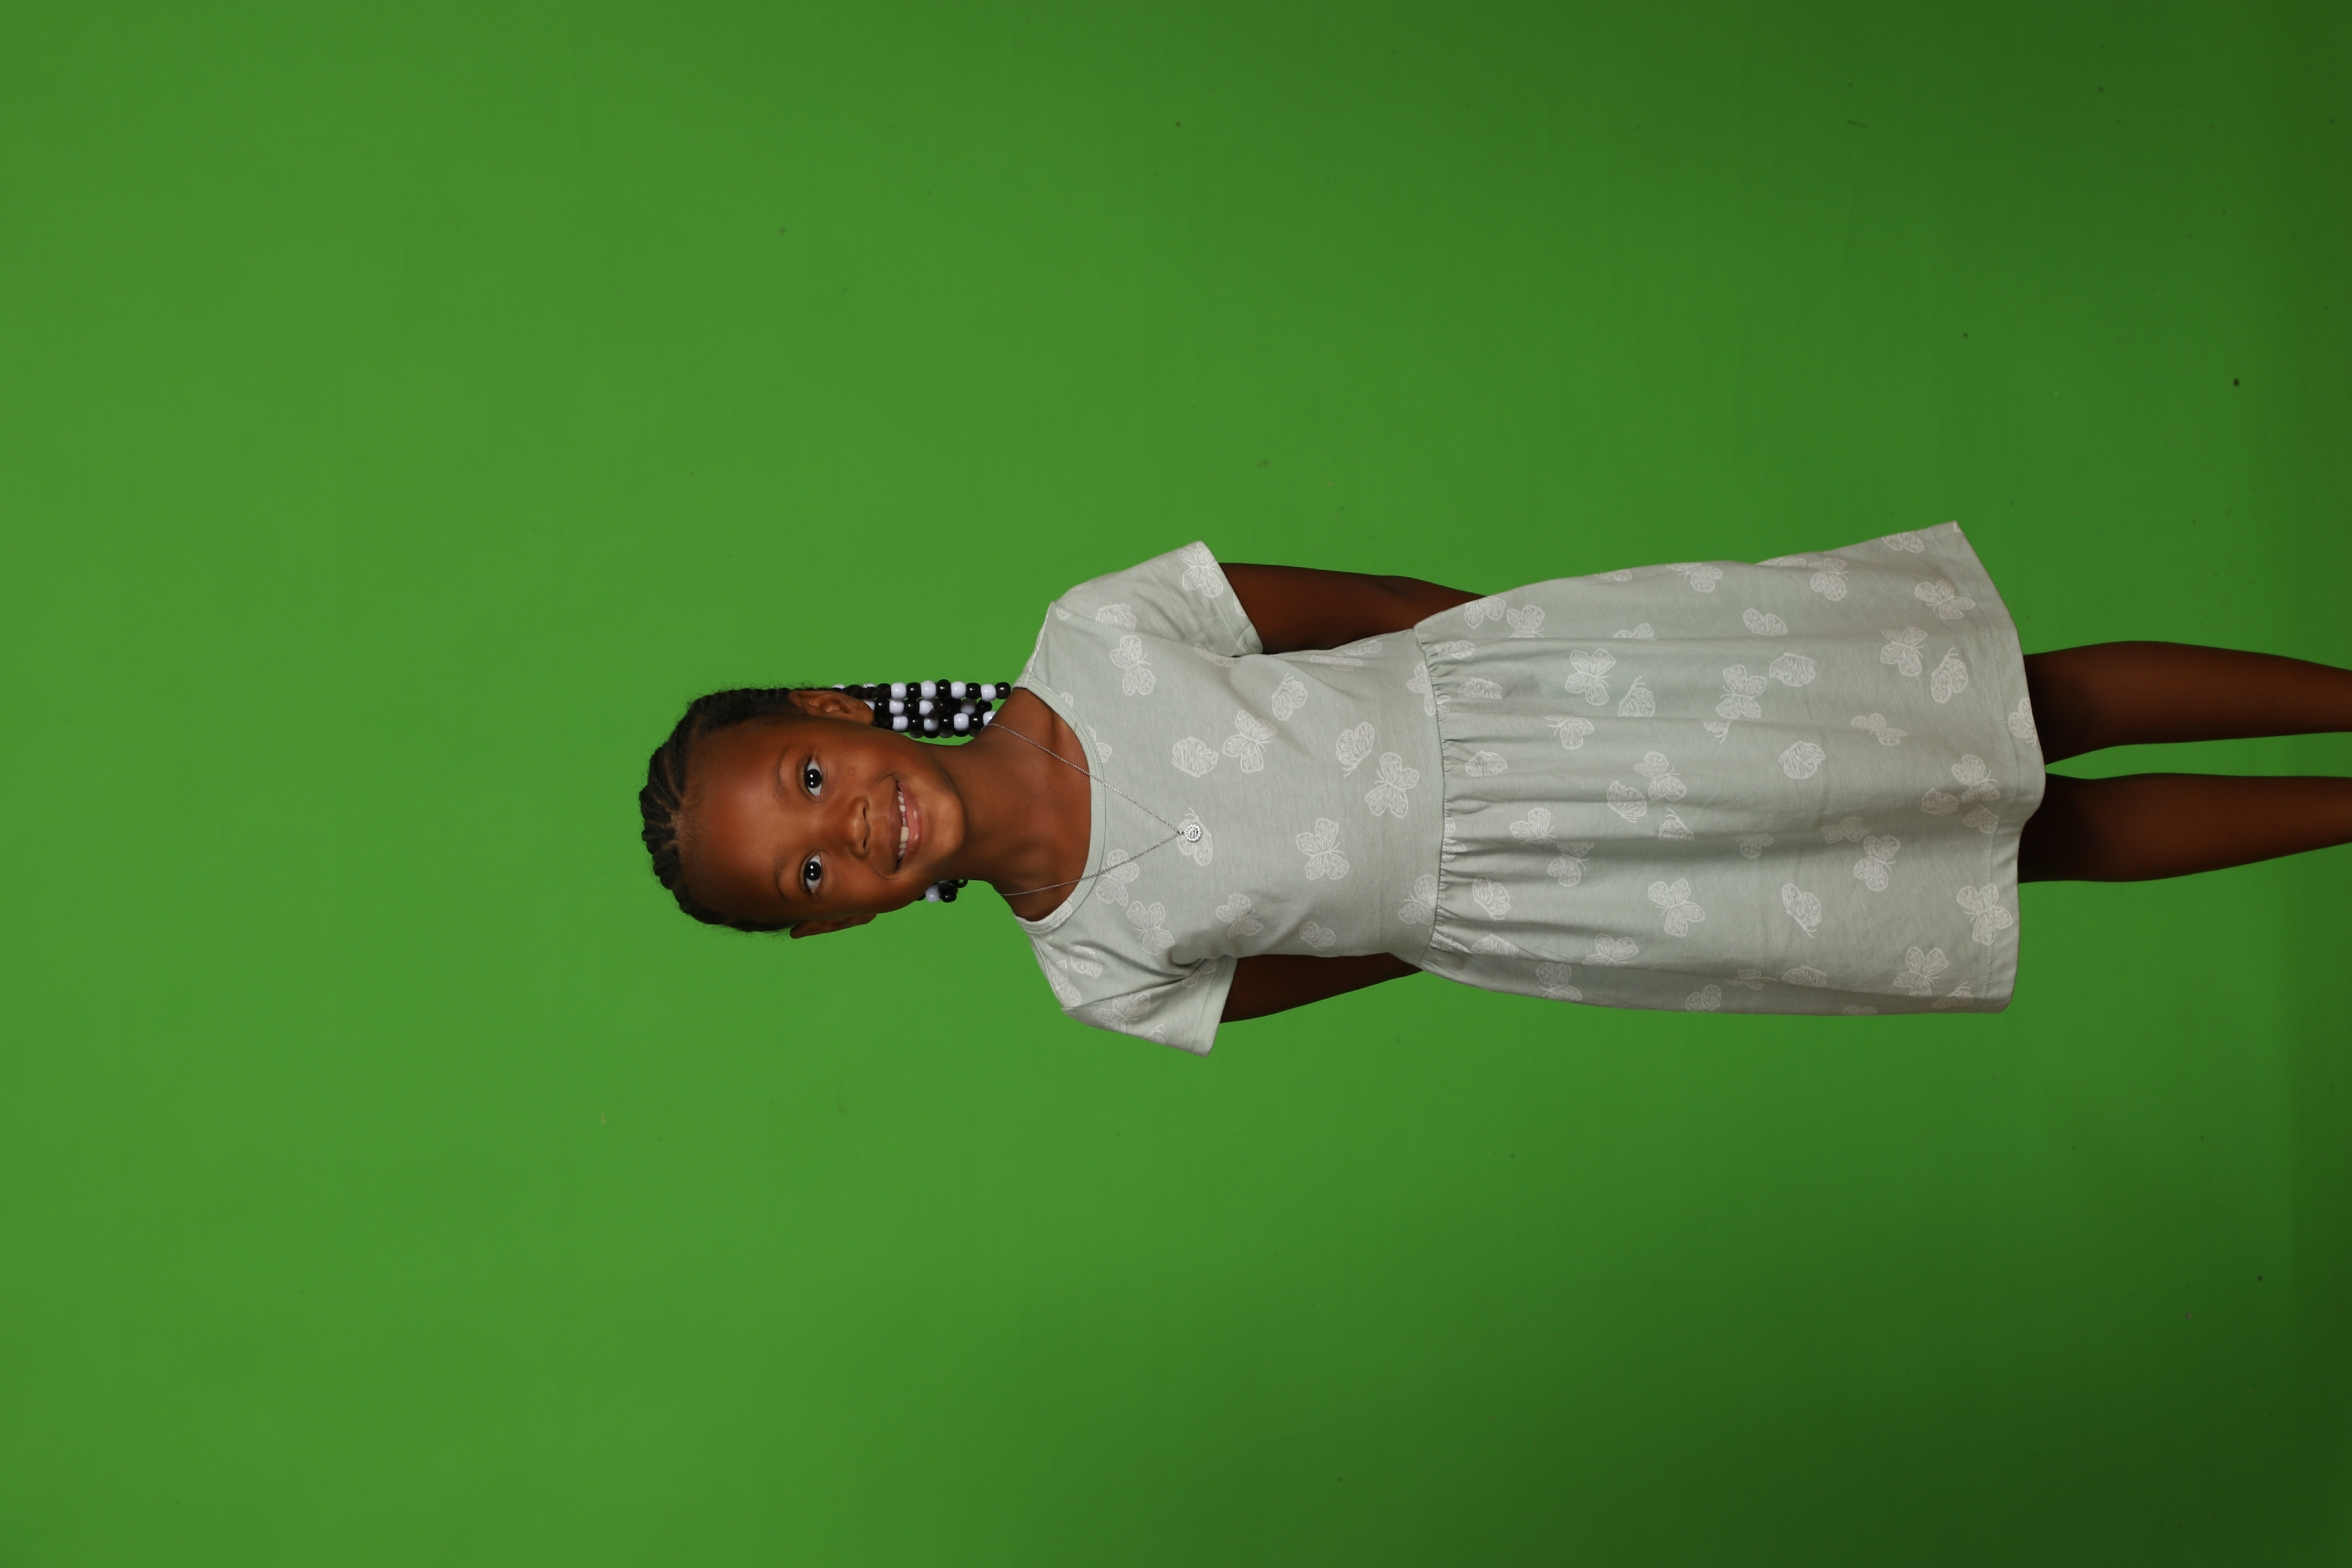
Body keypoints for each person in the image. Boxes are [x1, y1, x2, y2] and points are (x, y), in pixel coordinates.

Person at [638, 527, 2352, 1051]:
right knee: (2021, 851)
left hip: (1580, 699)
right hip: (1567, 900)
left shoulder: (1097, 633)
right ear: (835, 924)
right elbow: (1361, 948)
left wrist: (1596, 663)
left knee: (2015, 703)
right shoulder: (1100, 973)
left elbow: (1386, 611)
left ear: (832, 709)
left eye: (809, 777)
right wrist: (1492, 899)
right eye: (808, 873)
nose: (845, 829)